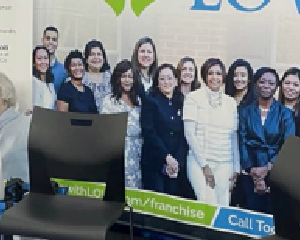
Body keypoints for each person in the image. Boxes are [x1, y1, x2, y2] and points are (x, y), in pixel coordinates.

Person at [183, 58, 241, 207]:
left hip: (225, 162)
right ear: (204, 76)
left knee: (223, 205)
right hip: (199, 162)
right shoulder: (193, 98)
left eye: (218, 73)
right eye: (210, 73)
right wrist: (205, 166)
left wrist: (236, 167)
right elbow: (189, 134)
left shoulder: (230, 102)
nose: (214, 77)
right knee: (207, 204)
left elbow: (234, 136)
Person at [237, 67, 295, 213]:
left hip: (275, 173)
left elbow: (288, 145)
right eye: (262, 82)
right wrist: (252, 170)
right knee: (249, 215)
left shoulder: (285, 113)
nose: (266, 86)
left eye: (271, 83)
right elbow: (242, 141)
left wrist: (268, 168)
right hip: (250, 172)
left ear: (276, 87)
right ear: (255, 84)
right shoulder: (245, 111)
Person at [141, 63, 187, 196]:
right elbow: (149, 133)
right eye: (162, 79)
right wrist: (167, 158)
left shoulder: (182, 101)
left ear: (176, 81)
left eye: (169, 78)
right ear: (157, 82)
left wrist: (177, 162)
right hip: (155, 163)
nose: (166, 82)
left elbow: (184, 135)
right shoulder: (150, 101)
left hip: (176, 165)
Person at [99, 59, 143, 191]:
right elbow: (104, 131)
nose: (127, 80)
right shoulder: (109, 101)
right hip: (117, 154)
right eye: (124, 76)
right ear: (117, 79)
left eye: (130, 76)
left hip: (137, 155)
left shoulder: (139, 101)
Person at [82, 40, 112, 111]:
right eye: (92, 54)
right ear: (86, 59)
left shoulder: (111, 78)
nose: (96, 57)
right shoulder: (80, 78)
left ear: (103, 59)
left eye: (99, 54)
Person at [31, 45, 56, 111]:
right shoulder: (33, 82)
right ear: (34, 62)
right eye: (39, 58)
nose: (43, 62)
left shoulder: (50, 84)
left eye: (45, 58)